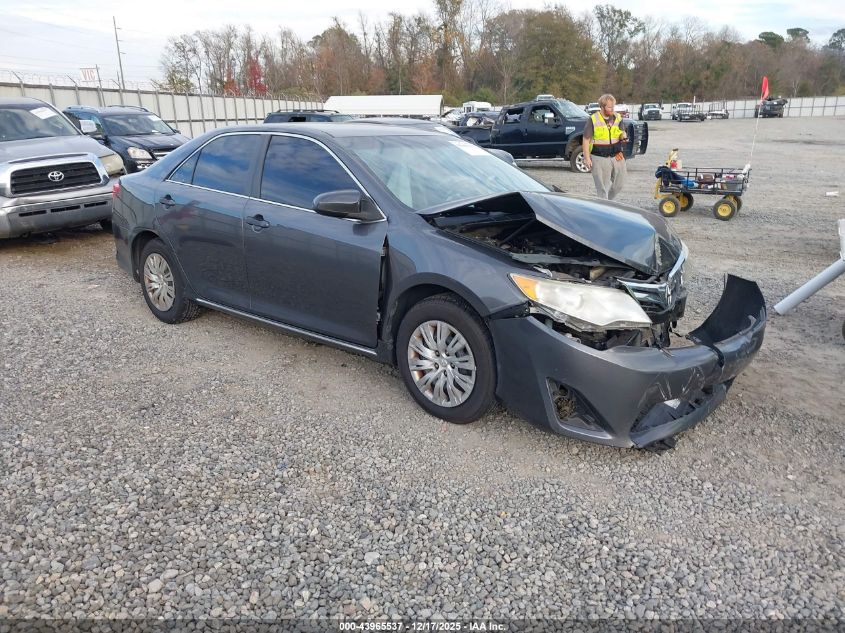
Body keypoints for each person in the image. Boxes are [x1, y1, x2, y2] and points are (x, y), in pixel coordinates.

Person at [582, 94, 628, 200]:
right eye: (610, 107)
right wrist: (587, 158)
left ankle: (609, 202)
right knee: (603, 189)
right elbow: (586, 140)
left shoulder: (617, 117)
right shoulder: (593, 119)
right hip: (599, 158)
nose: (613, 109)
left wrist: (623, 136)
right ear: (602, 107)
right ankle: (604, 207)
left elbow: (621, 132)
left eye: (613, 107)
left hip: (617, 156)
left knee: (619, 185)